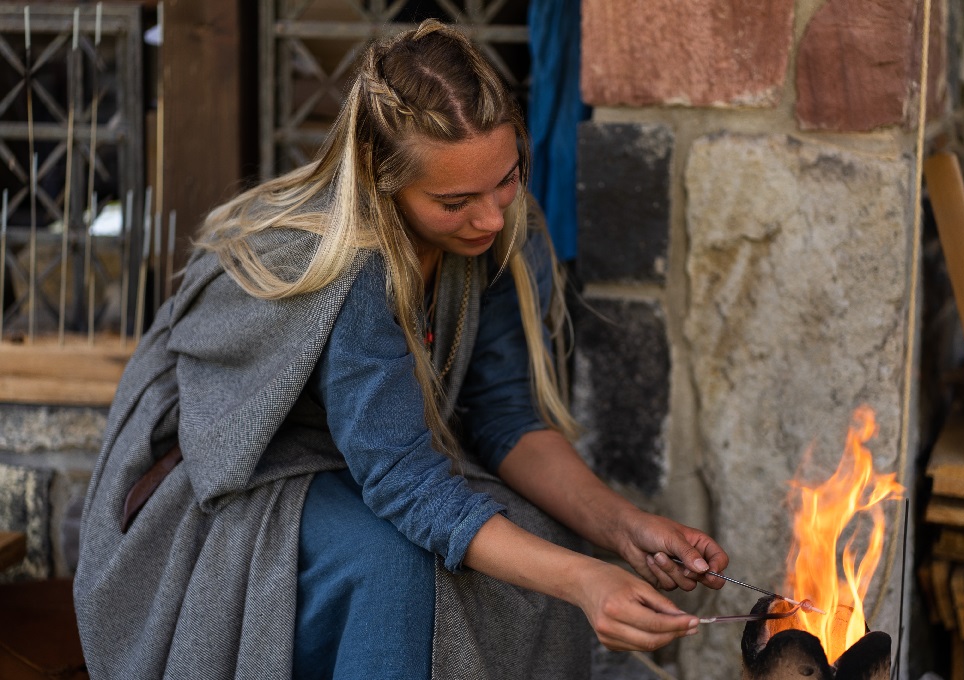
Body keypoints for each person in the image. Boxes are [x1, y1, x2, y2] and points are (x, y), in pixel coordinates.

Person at [73, 19, 729, 680]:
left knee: (539, 543)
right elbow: (404, 480)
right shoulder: (353, 267)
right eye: (455, 201)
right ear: (382, 183)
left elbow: (505, 421)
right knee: (394, 566)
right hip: (238, 478)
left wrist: (621, 531)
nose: (493, 217)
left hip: (360, 463)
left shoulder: (499, 233)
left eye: (506, 178)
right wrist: (585, 581)